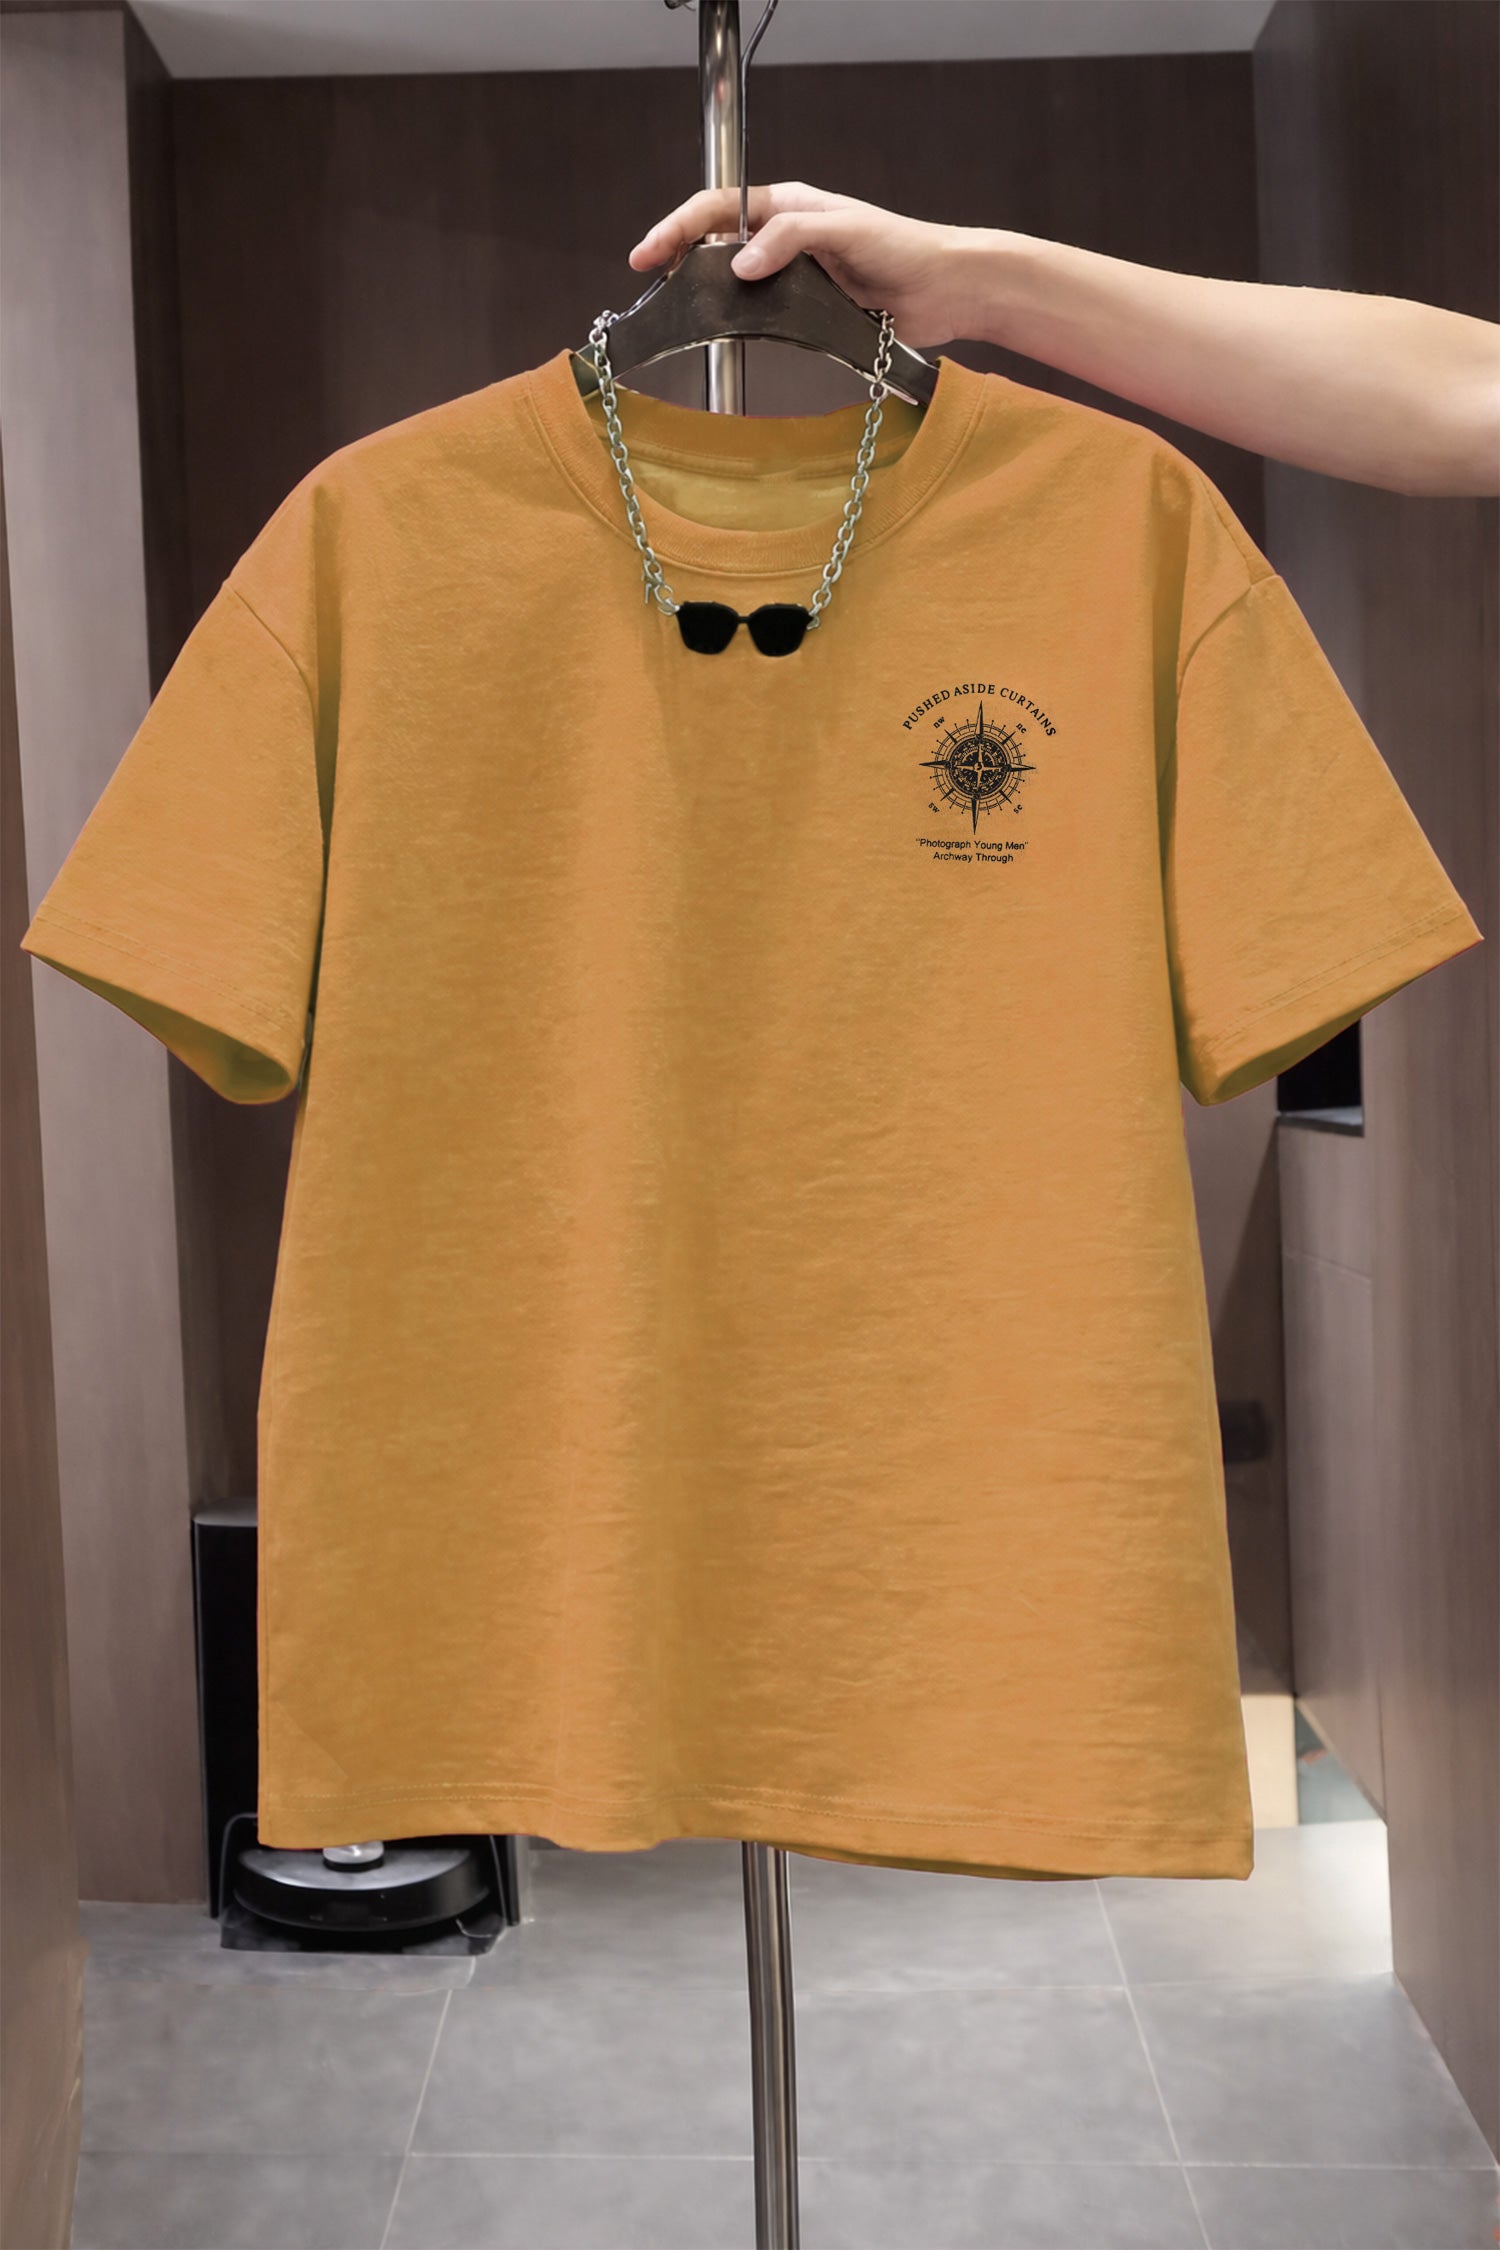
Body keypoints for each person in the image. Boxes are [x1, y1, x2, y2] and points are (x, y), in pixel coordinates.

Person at [629, 182, 1500, 499]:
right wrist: (973, 282)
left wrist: (976, 281)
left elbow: (1465, 397)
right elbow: (1467, 393)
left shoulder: (1136, 510)